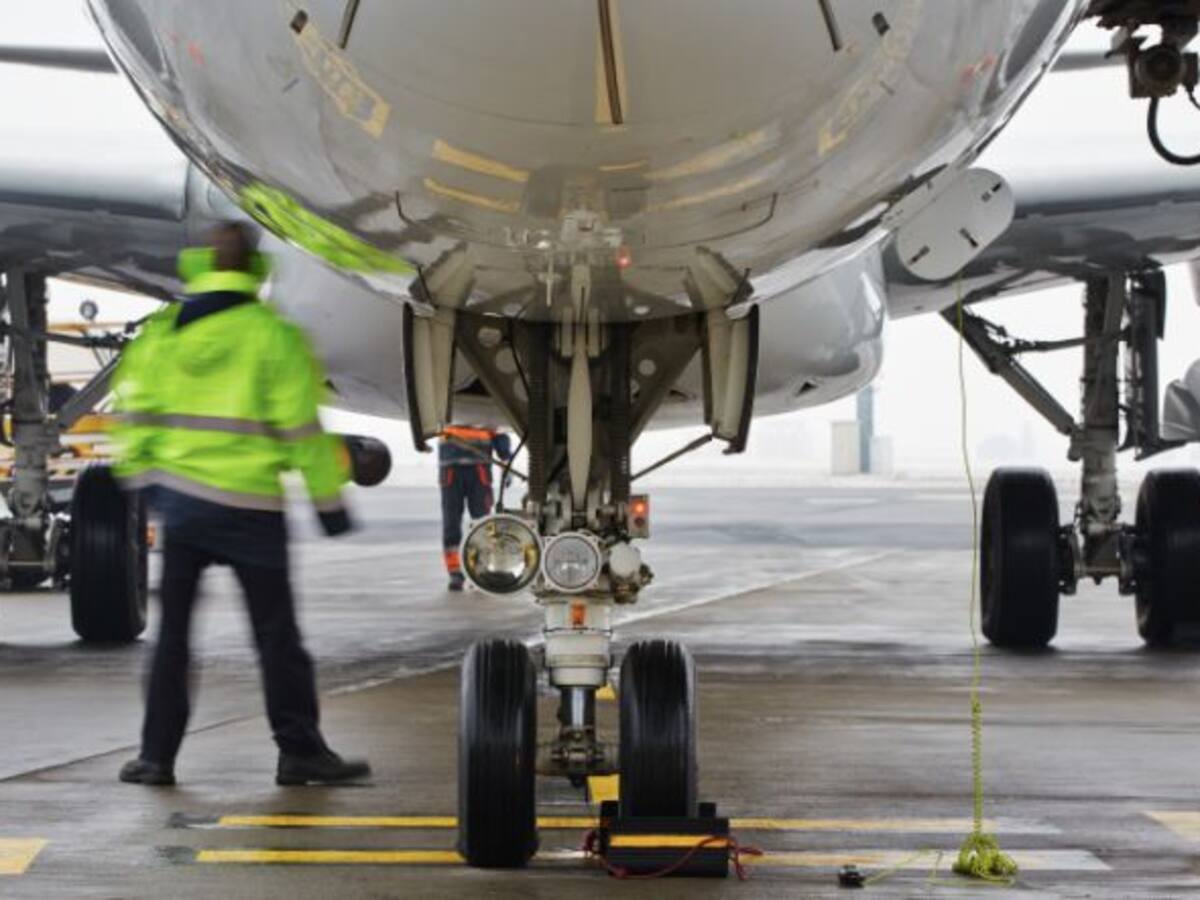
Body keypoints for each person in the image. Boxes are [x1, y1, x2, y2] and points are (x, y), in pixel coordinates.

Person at [110, 222, 370, 787]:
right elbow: (301, 431)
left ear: (201, 264)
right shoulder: (272, 336)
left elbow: (136, 418)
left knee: (173, 639)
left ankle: (156, 757)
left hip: (183, 506)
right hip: (251, 509)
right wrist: (329, 505)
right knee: (277, 638)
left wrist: (144, 485)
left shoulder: (163, 334)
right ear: (255, 269)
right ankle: (299, 751)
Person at [439, 424, 512, 591]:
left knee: (482, 524)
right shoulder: (445, 410)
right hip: (452, 471)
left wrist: (506, 460)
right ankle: (455, 571)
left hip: (478, 471)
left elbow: (499, 431)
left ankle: (480, 570)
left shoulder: (487, 410)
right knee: (451, 525)